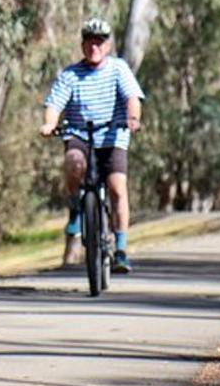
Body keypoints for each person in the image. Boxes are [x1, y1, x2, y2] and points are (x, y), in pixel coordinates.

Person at [39, 18, 144, 273]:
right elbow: (54, 105)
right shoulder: (70, 75)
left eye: (99, 42)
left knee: (117, 188)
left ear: (106, 46)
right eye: (89, 42)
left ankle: (120, 249)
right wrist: (49, 124)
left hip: (112, 135)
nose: (94, 47)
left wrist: (133, 119)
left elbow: (132, 97)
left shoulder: (118, 69)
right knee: (74, 163)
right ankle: (76, 208)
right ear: (82, 45)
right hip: (80, 134)